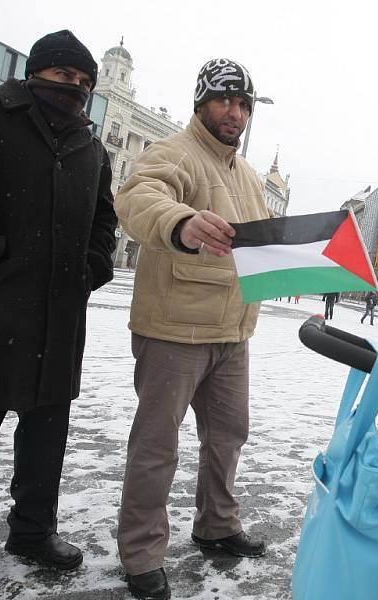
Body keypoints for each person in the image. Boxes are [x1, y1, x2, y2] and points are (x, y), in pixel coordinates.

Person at [0, 30, 116, 599]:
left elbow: (102, 223)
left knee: (47, 433)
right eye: (66, 76)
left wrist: (91, 270)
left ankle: (32, 530)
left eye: (85, 83)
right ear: (38, 72)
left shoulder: (94, 147)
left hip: (60, 315)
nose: (75, 89)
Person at [114, 58, 270, 600]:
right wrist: (179, 222)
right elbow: (138, 197)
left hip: (232, 333)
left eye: (243, 103)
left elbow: (259, 244)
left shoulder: (248, 175)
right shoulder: (173, 152)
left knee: (227, 438)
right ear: (200, 102)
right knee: (156, 447)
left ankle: (217, 525)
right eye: (224, 100)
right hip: (174, 330)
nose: (235, 112)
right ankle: (141, 554)